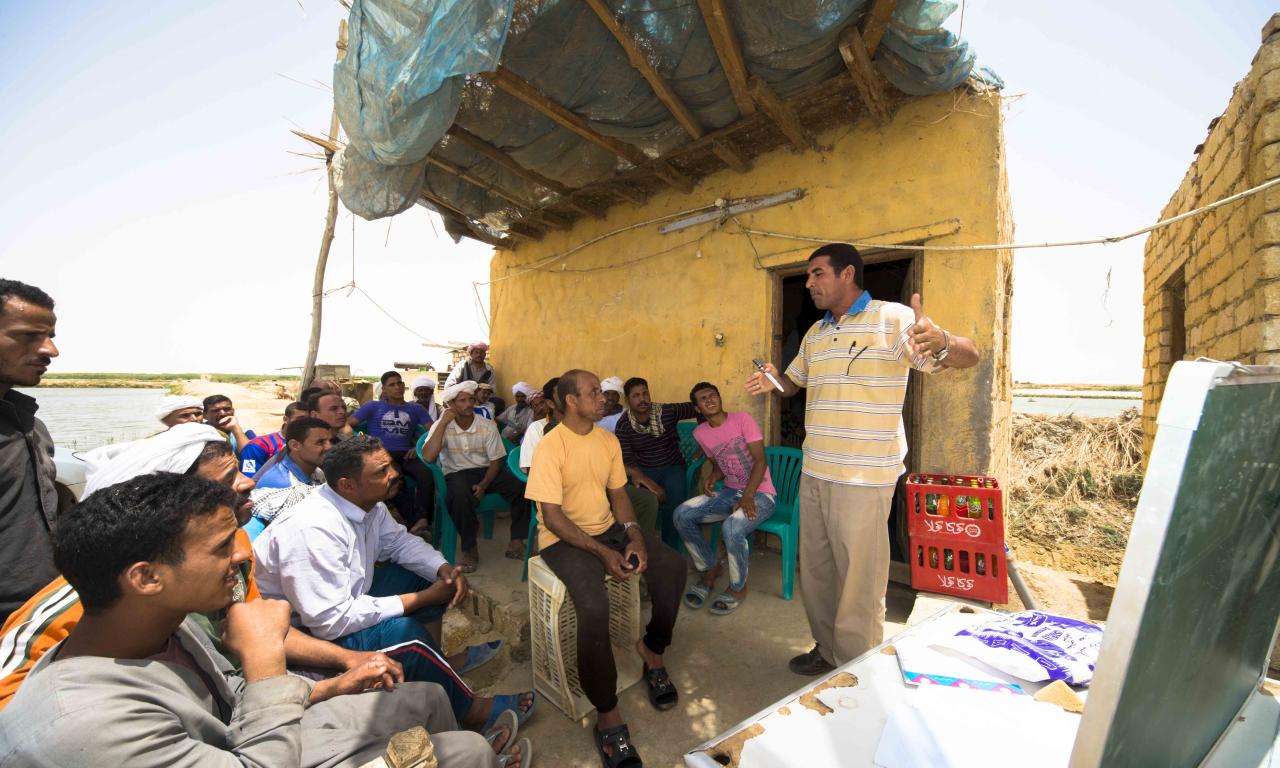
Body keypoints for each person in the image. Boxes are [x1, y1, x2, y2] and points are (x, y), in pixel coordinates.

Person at [0, 471, 524, 767]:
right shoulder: (86, 725)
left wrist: (334, 685)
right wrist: (266, 661)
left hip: (245, 738)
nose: (242, 554)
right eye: (221, 547)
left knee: (425, 697)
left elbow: (230, 701)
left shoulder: (170, 621)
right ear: (146, 577)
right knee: (465, 753)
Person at [0, 425, 414, 721]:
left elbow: (255, 635)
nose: (248, 483)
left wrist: (346, 661)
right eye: (225, 481)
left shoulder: (236, 549)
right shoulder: (70, 612)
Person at [745, 243, 979, 675]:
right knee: (817, 572)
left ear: (847, 273)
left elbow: (969, 356)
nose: (809, 283)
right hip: (815, 472)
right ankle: (826, 650)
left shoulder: (892, 319)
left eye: (817, 273)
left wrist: (945, 342)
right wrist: (775, 379)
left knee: (861, 582)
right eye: (808, 275)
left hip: (865, 477)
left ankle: (857, 670)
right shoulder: (816, 334)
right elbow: (794, 384)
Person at [253, 435, 533, 736]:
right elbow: (329, 621)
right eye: (381, 471)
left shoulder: (368, 504)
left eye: (390, 466)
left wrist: (441, 567)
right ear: (347, 485)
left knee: (429, 577)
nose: (394, 474)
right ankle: (473, 712)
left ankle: (434, 662)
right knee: (404, 634)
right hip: (309, 633)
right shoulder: (312, 530)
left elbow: (399, 543)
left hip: (346, 599)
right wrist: (421, 599)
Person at [525, 369, 686, 766]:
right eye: (594, 392)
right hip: (563, 540)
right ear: (571, 401)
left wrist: (633, 535)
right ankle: (607, 712)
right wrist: (601, 553)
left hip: (607, 529)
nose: (603, 398)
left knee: (671, 566)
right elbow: (552, 517)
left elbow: (619, 496)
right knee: (594, 606)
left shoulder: (607, 440)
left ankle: (653, 650)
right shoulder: (550, 446)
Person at [674, 382, 776, 615]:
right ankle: (710, 569)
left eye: (713, 395)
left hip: (761, 493)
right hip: (730, 492)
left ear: (719, 398)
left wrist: (748, 494)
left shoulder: (742, 420)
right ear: (697, 408)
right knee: (681, 515)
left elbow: (760, 460)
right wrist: (714, 475)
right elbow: (720, 464)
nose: (709, 400)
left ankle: (738, 587)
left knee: (731, 528)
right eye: (703, 399)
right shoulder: (700, 433)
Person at [523, 377, 659, 536]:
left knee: (646, 500)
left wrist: (632, 472)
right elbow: (533, 473)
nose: (570, 398)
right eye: (562, 395)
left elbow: (602, 460)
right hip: (565, 493)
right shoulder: (539, 430)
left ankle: (636, 541)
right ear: (551, 403)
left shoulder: (590, 428)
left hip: (599, 484)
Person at [0, 279, 60, 620]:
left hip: (39, 612)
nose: (50, 350)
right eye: (29, 335)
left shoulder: (30, 425)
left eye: (50, 335)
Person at [421, 382, 530, 568]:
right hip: (457, 472)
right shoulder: (441, 425)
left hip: (486, 470)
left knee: (522, 487)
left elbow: (495, 462)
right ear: (450, 405)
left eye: (471, 399)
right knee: (459, 496)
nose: (469, 404)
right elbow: (429, 457)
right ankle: (470, 548)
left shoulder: (486, 425)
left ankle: (516, 542)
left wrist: (484, 485)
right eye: (462, 401)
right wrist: (443, 423)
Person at [614, 377, 699, 545]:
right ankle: (642, 543)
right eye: (636, 395)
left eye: (645, 393)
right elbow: (628, 461)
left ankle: (670, 546)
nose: (642, 399)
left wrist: (705, 443)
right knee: (638, 499)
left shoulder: (666, 412)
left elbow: (699, 407)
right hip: (644, 470)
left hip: (673, 466)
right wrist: (649, 483)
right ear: (627, 400)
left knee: (675, 498)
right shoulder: (623, 425)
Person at [349, 371, 435, 529]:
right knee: (395, 478)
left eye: (399, 383)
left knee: (427, 473)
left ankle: (422, 519)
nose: (397, 387)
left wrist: (419, 446)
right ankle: (416, 522)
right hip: (381, 454)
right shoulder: (373, 406)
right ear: (384, 389)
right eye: (392, 384)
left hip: (407, 454)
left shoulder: (415, 408)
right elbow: (349, 425)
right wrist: (363, 443)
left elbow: (433, 431)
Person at [243, 415, 335, 540]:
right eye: (320, 442)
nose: (329, 447)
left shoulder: (316, 472)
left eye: (330, 441)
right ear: (295, 445)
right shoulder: (283, 486)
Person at [239, 400, 306, 478]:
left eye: (309, 420)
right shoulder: (257, 446)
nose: (305, 424)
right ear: (285, 419)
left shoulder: (311, 446)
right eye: (300, 419)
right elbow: (249, 480)